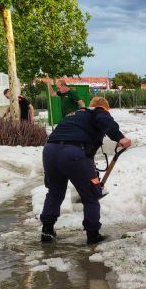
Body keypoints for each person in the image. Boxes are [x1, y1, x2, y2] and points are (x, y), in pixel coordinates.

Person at [39, 96, 131, 245]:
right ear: (104, 107)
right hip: (73, 153)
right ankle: (93, 235)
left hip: (50, 151)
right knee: (91, 196)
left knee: (55, 192)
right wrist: (120, 138)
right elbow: (105, 121)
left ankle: (47, 231)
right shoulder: (98, 111)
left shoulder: (73, 115)